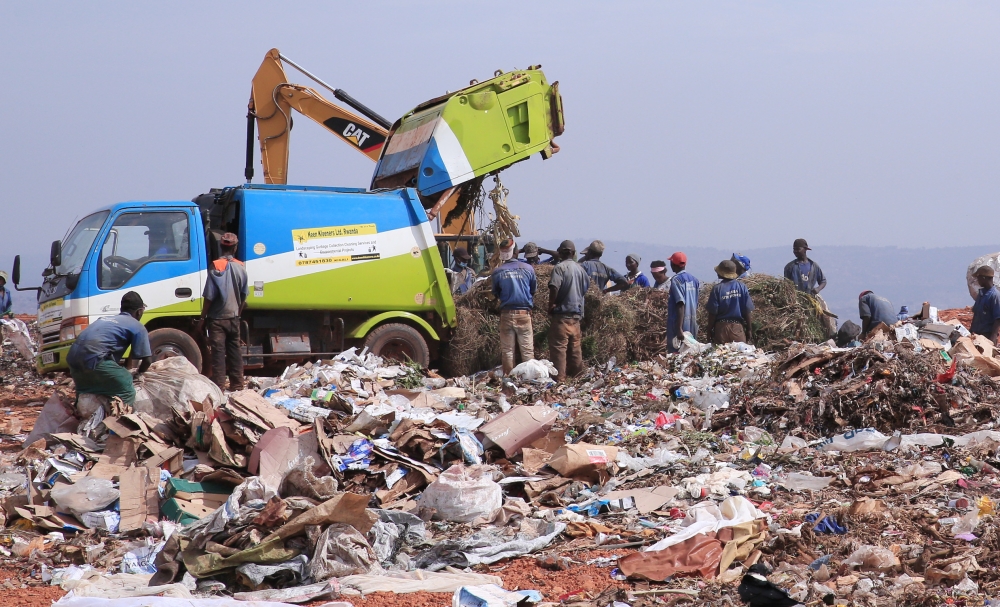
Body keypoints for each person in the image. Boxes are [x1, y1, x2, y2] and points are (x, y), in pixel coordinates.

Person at [66, 291, 151, 405]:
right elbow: (147, 360)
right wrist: (138, 374)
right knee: (127, 390)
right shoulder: (137, 326)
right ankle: (117, 421)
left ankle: (81, 417)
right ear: (139, 311)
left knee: (85, 392)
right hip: (95, 360)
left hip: (73, 361)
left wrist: (124, 370)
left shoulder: (104, 319)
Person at [197, 232, 249, 391]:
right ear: (235, 248)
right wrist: (237, 313)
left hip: (217, 319)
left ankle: (219, 387)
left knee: (218, 354)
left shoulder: (216, 266)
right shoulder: (241, 267)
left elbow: (209, 296)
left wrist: (202, 318)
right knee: (235, 353)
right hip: (233, 318)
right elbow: (244, 295)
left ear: (221, 246)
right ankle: (238, 385)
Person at [492, 238, 537, 374]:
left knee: (507, 350)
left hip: (506, 314)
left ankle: (509, 379)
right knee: (527, 350)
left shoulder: (498, 272)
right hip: (524, 314)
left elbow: (496, 292)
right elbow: (533, 290)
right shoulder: (528, 269)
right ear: (516, 252)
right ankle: (528, 378)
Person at [548, 240, 590, 380]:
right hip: (576, 316)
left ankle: (559, 380)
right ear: (573, 253)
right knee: (575, 349)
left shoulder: (559, 268)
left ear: (560, 252)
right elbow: (584, 290)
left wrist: (551, 305)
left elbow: (554, 287)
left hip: (561, 316)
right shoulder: (581, 270)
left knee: (559, 349)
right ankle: (578, 377)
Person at [706, 260, 754, 345]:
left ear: (721, 273)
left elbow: (712, 313)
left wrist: (709, 330)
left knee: (721, 355)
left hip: (721, 329)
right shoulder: (742, 287)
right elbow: (747, 311)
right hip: (737, 329)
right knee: (740, 356)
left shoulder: (717, 289)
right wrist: (749, 330)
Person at [667, 252, 700, 352]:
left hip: (678, 323)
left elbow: (680, 303)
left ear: (673, 264)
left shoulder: (676, 280)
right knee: (690, 353)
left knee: (677, 354)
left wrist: (679, 328)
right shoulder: (694, 280)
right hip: (692, 322)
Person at [971, 266, 1000, 344]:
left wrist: (992, 339)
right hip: (976, 335)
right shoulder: (981, 294)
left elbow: (998, 319)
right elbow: (976, 314)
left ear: (983, 278)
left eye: (978, 277)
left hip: (986, 336)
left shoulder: (995, 296)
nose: (977, 280)